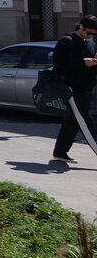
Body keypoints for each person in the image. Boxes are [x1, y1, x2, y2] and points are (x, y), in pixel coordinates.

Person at [50, 15, 97, 164]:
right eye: (89, 33)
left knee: (72, 121)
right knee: (84, 120)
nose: (90, 36)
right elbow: (60, 64)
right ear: (81, 26)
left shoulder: (90, 44)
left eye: (93, 35)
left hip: (86, 87)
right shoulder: (66, 42)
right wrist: (83, 63)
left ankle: (60, 152)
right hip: (71, 88)